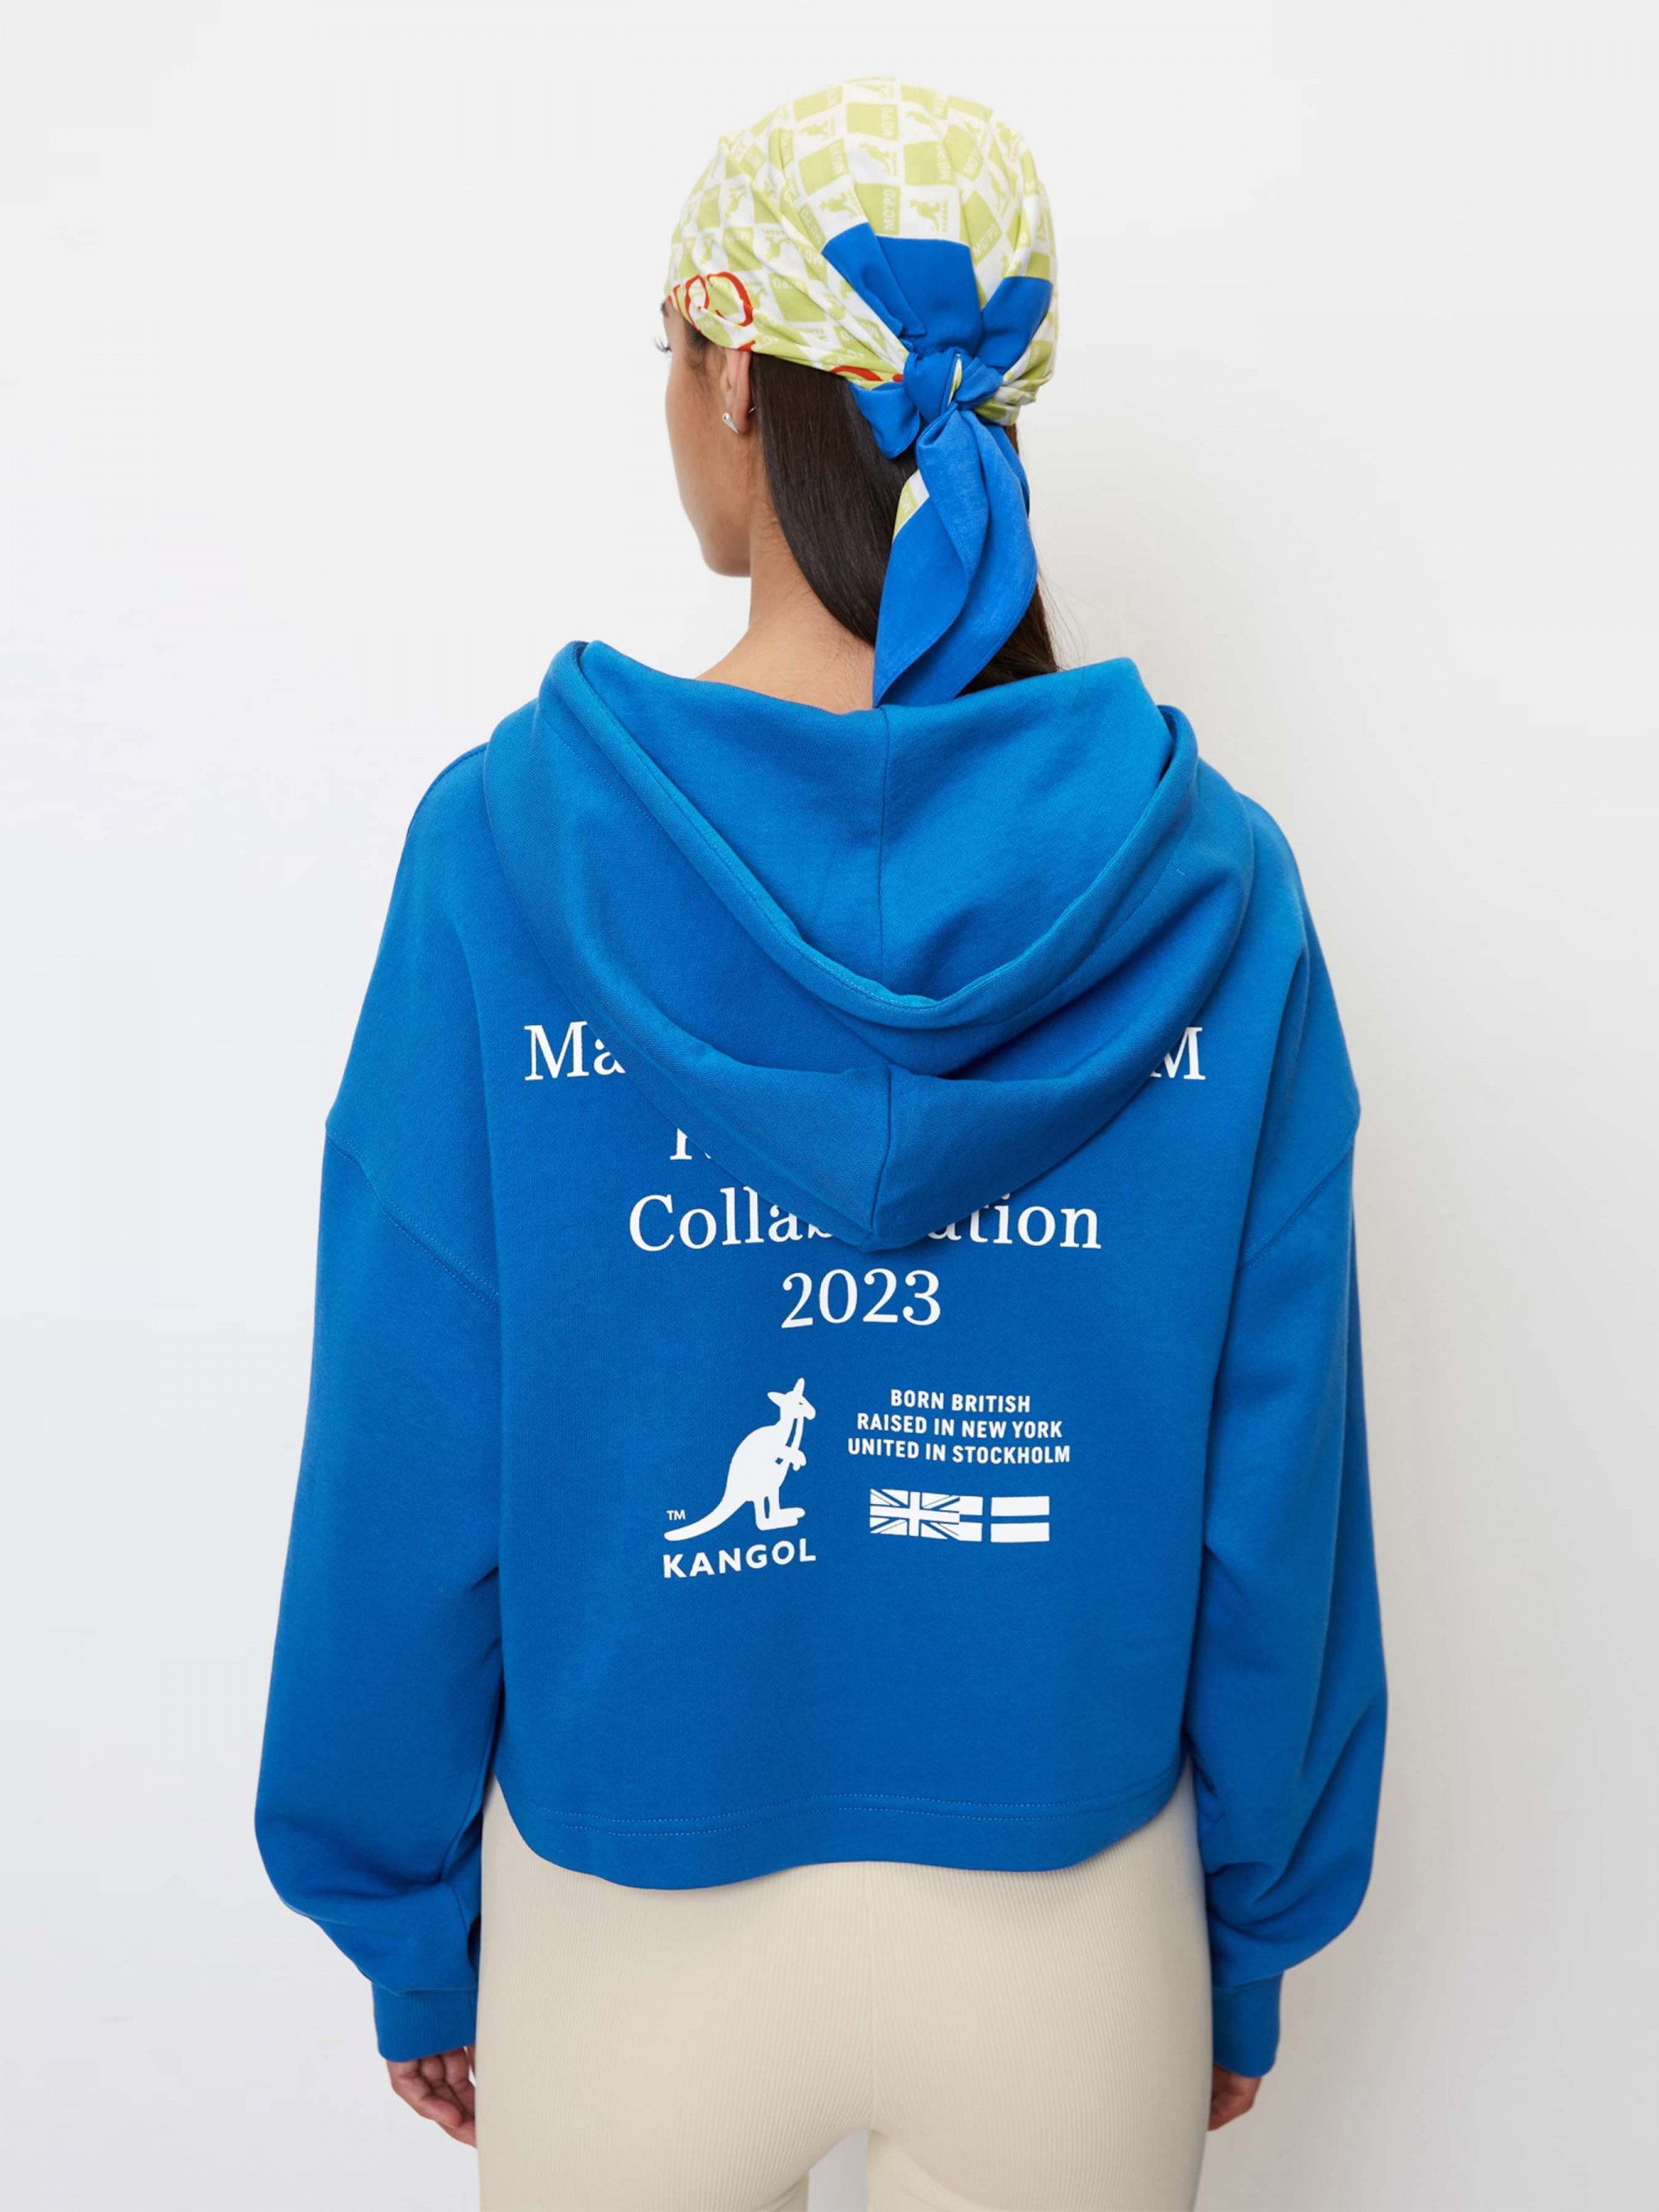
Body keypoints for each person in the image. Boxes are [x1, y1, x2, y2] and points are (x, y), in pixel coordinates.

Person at [256, 79, 1385, 2212]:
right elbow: (1280, 1482)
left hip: (627, 1916)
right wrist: (1241, 1932)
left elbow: (409, 1435)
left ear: (722, 368)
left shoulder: (509, 853)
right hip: (1073, 1923)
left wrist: (403, 1903)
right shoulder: (1211, 887)